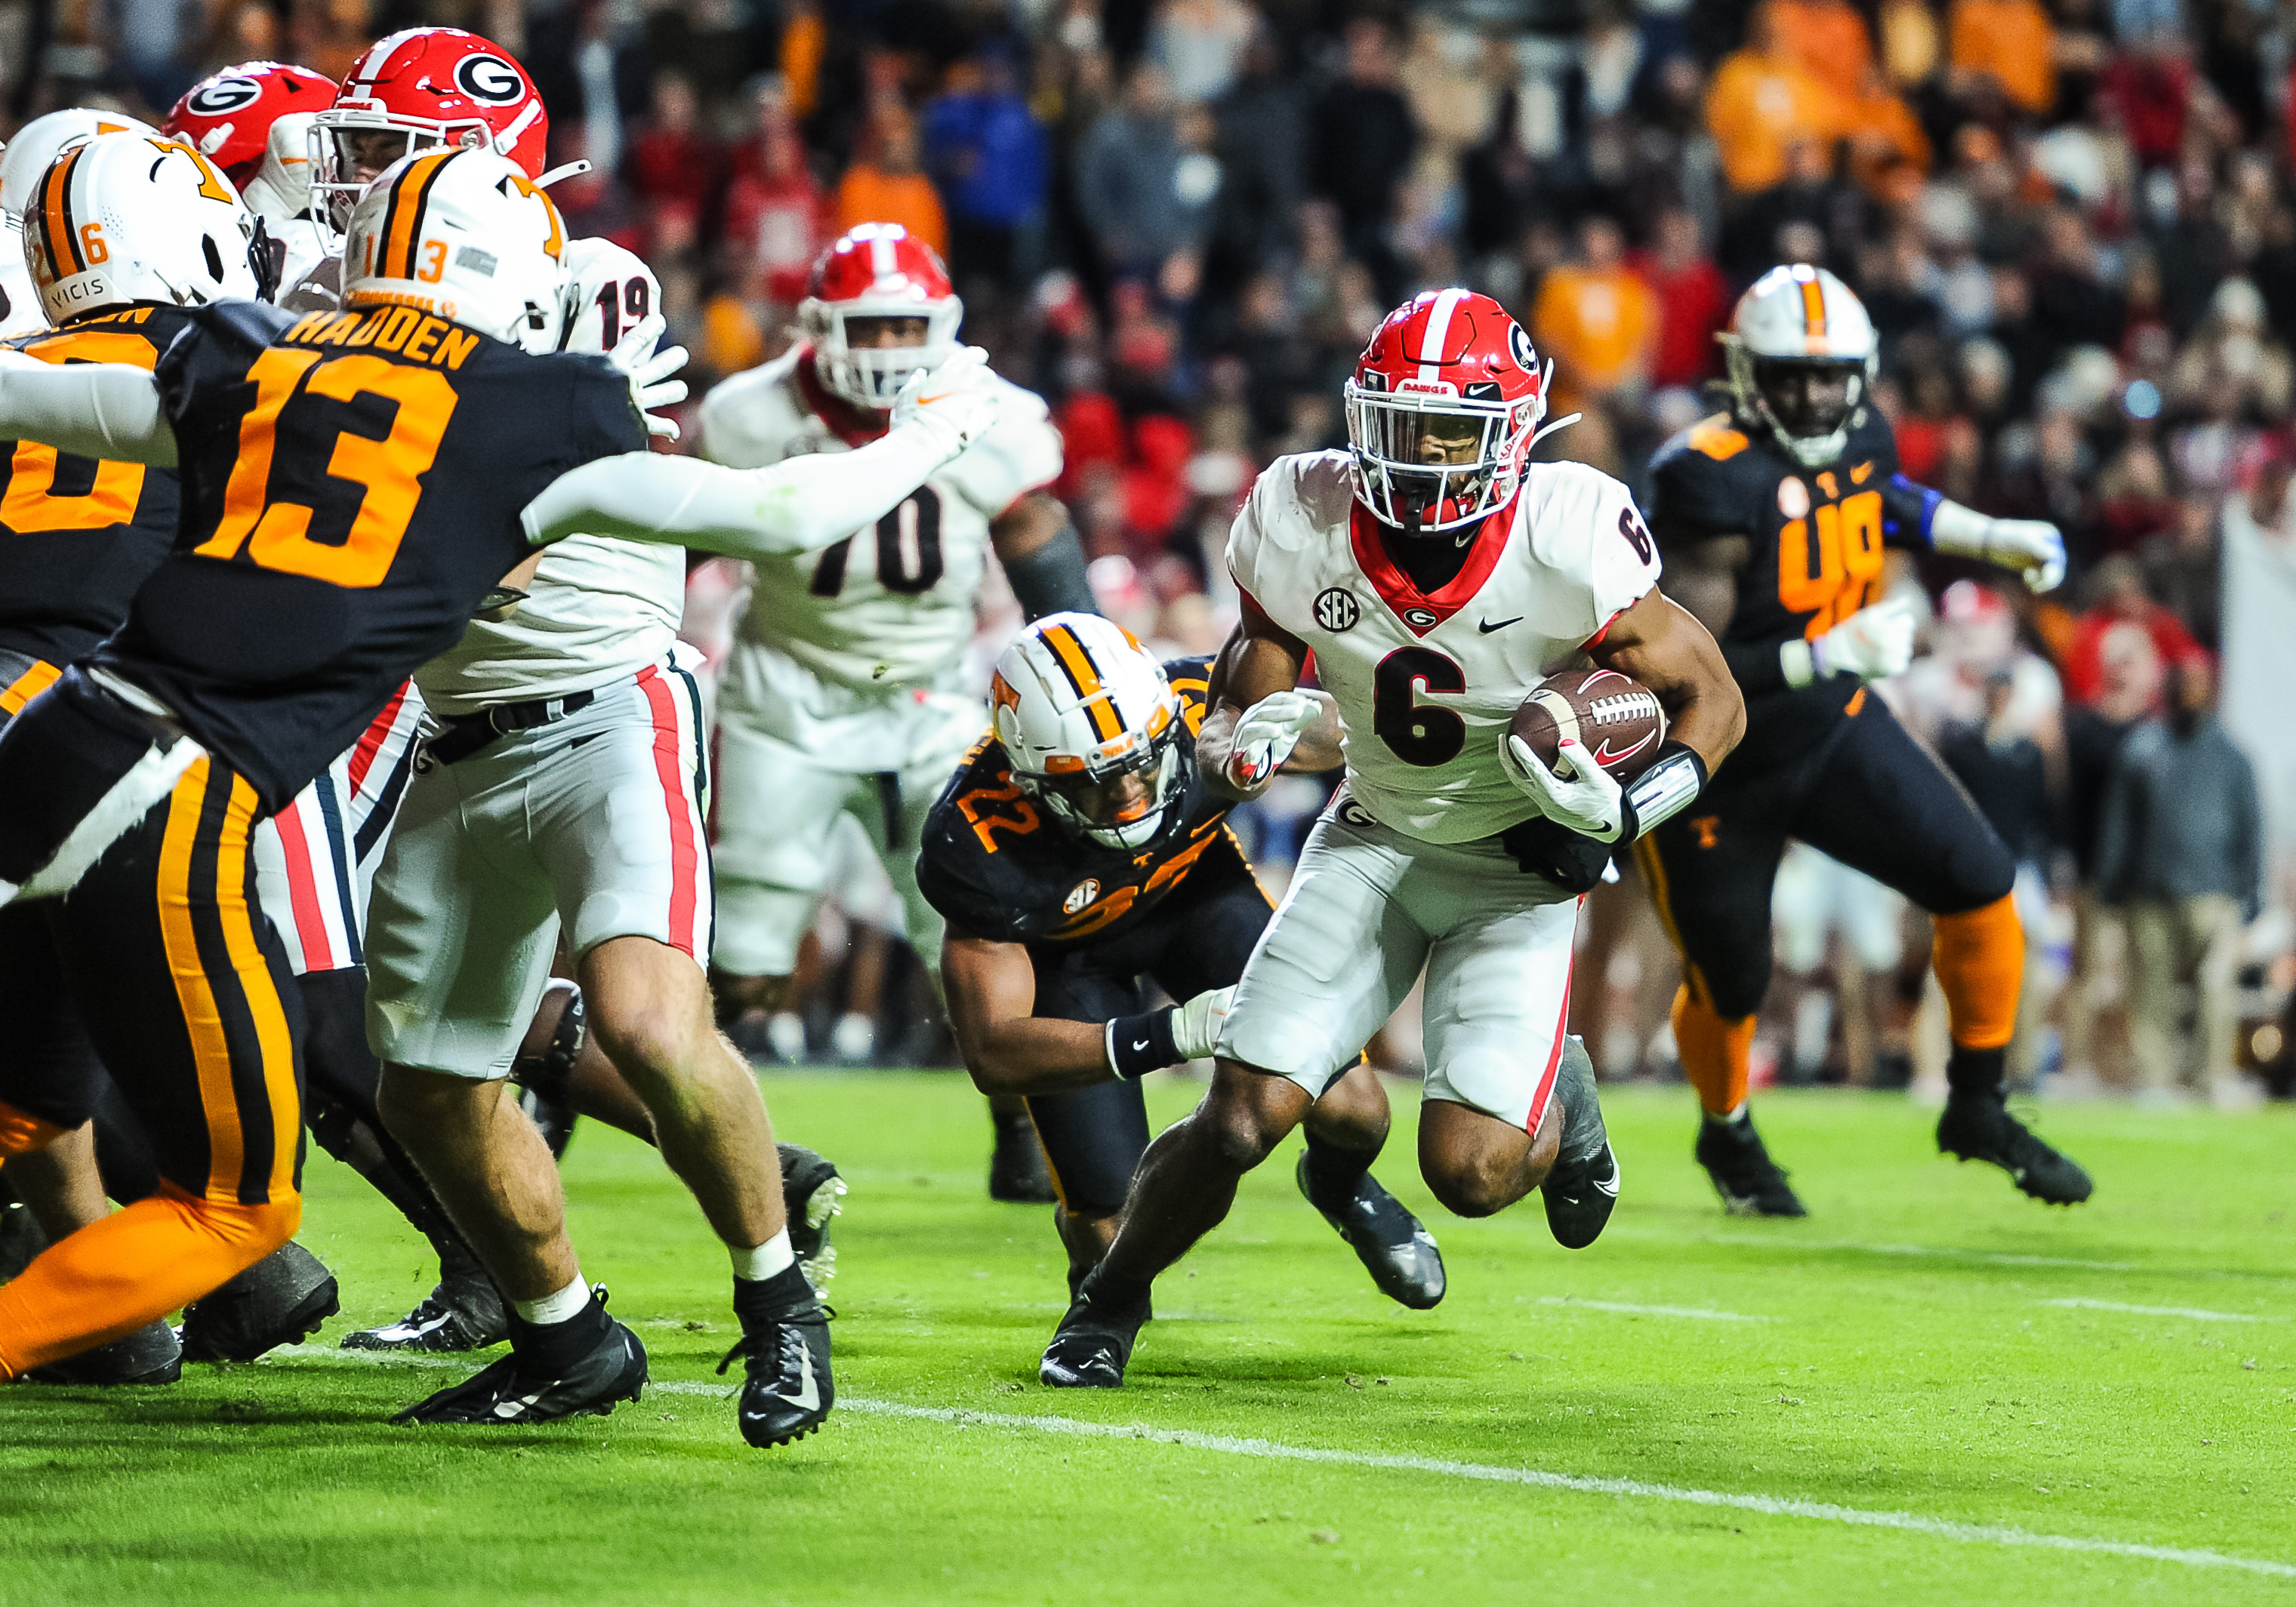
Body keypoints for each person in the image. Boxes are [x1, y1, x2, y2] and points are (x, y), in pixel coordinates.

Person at [1036, 289, 1746, 1388]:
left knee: (1466, 1173)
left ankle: (1563, 1103)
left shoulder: (1565, 533)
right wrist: (1237, 729)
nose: (1419, 456)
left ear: (1511, 436)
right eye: (1399, 425)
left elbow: (1715, 700)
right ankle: (1106, 1304)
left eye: (1451, 432)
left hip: (1520, 865)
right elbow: (1261, 651)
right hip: (1371, 834)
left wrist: (1626, 813)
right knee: (1239, 1114)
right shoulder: (1301, 512)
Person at [1641, 264, 2090, 1217]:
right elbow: (1681, 668)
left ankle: (1974, 1102)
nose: (1810, 394)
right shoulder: (1704, 471)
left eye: (1828, 375)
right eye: (1788, 375)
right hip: (1714, 763)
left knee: (1977, 879)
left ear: (1863, 370)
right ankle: (1726, 1129)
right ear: (1743, 371)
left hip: (1832, 729)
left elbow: (1881, 496)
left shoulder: (1864, 430)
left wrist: (1987, 534)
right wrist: (1823, 650)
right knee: (1733, 978)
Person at [696, 223, 1094, 1201]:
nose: (883, 351)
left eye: (902, 328)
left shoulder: (989, 412)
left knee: (976, 935)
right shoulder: (747, 414)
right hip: (785, 691)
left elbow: (1036, 534)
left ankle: (1015, 1121)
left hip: (930, 699)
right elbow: (680, 533)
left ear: (943, 327)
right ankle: (637, 1107)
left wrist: (1084, 667)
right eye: (865, 330)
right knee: (741, 965)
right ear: (821, 327)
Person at [919, 614, 1444, 1308]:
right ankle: (1103, 1304)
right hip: (1067, 961)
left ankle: (1341, 1186)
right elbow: (992, 1051)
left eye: (1142, 764)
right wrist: (1168, 1034)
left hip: (1194, 896)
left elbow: (1351, 732)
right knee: (1110, 1226)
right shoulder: (975, 832)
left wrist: (1282, 730)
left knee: (1356, 1108)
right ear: (1030, 779)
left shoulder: (1198, 701)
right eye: (1094, 783)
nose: (1130, 795)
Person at [2094, 656, 2264, 1104]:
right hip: (2150, 892)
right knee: (2150, 991)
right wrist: (2110, 886)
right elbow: (2119, 824)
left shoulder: (2232, 757)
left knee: (2216, 990)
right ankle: (2155, 1080)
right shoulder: (2142, 750)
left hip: (2215, 893)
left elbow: (2250, 828)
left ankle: (2211, 1076)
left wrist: (2251, 895)